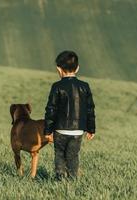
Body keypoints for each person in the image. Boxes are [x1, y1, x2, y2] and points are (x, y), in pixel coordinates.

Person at [44, 50, 96, 180]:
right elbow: (90, 109)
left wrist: (47, 131)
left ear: (58, 69)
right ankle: (72, 180)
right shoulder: (85, 86)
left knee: (59, 154)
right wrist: (91, 129)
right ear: (77, 68)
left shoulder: (56, 86)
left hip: (60, 129)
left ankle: (60, 180)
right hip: (77, 131)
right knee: (73, 156)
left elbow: (51, 110)